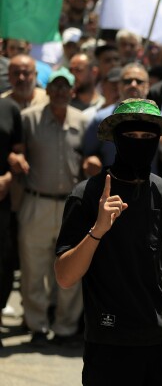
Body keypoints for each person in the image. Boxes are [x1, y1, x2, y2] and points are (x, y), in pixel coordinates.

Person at [54, 98, 162, 385]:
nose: (139, 143)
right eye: (131, 137)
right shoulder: (87, 194)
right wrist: (97, 230)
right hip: (108, 342)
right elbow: (64, 276)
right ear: (116, 140)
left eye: (147, 137)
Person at [8, 68, 87, 346]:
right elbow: (13, 148)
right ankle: (37, 326)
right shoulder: (28, 119)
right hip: (36, 201)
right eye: (56, 86)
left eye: (66, 87)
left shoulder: (83, 120)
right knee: (33, 269)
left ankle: (65, 328)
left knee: (72, 270)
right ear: (48, 90)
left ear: (73, 91)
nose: (61, 92)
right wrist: (14, 157)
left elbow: (91, 156)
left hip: (71, 206)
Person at [0, 98, 22, 323]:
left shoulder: (9, 108)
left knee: (3, 263)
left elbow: (18, 153)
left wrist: (8, 177)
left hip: (2, 199)